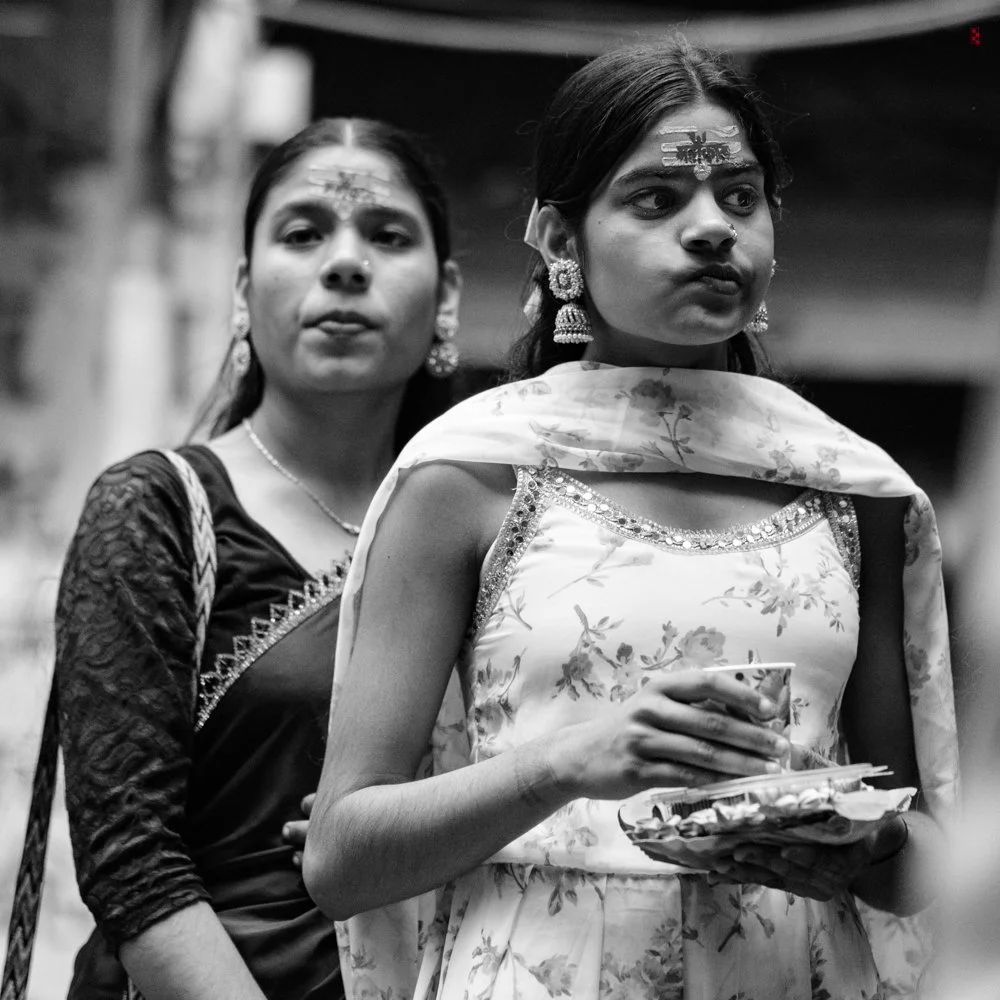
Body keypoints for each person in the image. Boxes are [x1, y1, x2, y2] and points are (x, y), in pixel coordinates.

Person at [305, 39, 959, 1000]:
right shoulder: (471, 474)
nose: (711, 229)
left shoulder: (856, 491)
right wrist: (569, 761)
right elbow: (341, 860)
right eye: (656, 200)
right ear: (563, 244)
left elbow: (924, 868)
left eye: (741, 198)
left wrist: (861, 840)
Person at [54, 116, 461, 1000]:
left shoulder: (497, 527)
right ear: (244, 288)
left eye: (387, 236)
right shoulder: (159, 511)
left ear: (448, 295)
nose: (346, 262)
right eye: (304, 232)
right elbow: (131, 864)